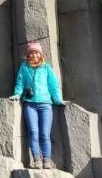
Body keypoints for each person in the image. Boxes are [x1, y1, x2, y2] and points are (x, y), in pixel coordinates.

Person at [10, 40, 63, 170]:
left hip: (45, 104)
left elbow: (53, 85)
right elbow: (20, 82)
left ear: (40, 54)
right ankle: (37, 160)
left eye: (37, 52)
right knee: (33, 132)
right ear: (28, 54)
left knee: (45, 134)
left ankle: (47, 160)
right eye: (32, 53)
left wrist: (58, 100)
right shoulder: (24, 67)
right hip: (30, 104)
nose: (34, 55)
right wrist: (17, 94)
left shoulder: (46, 68)